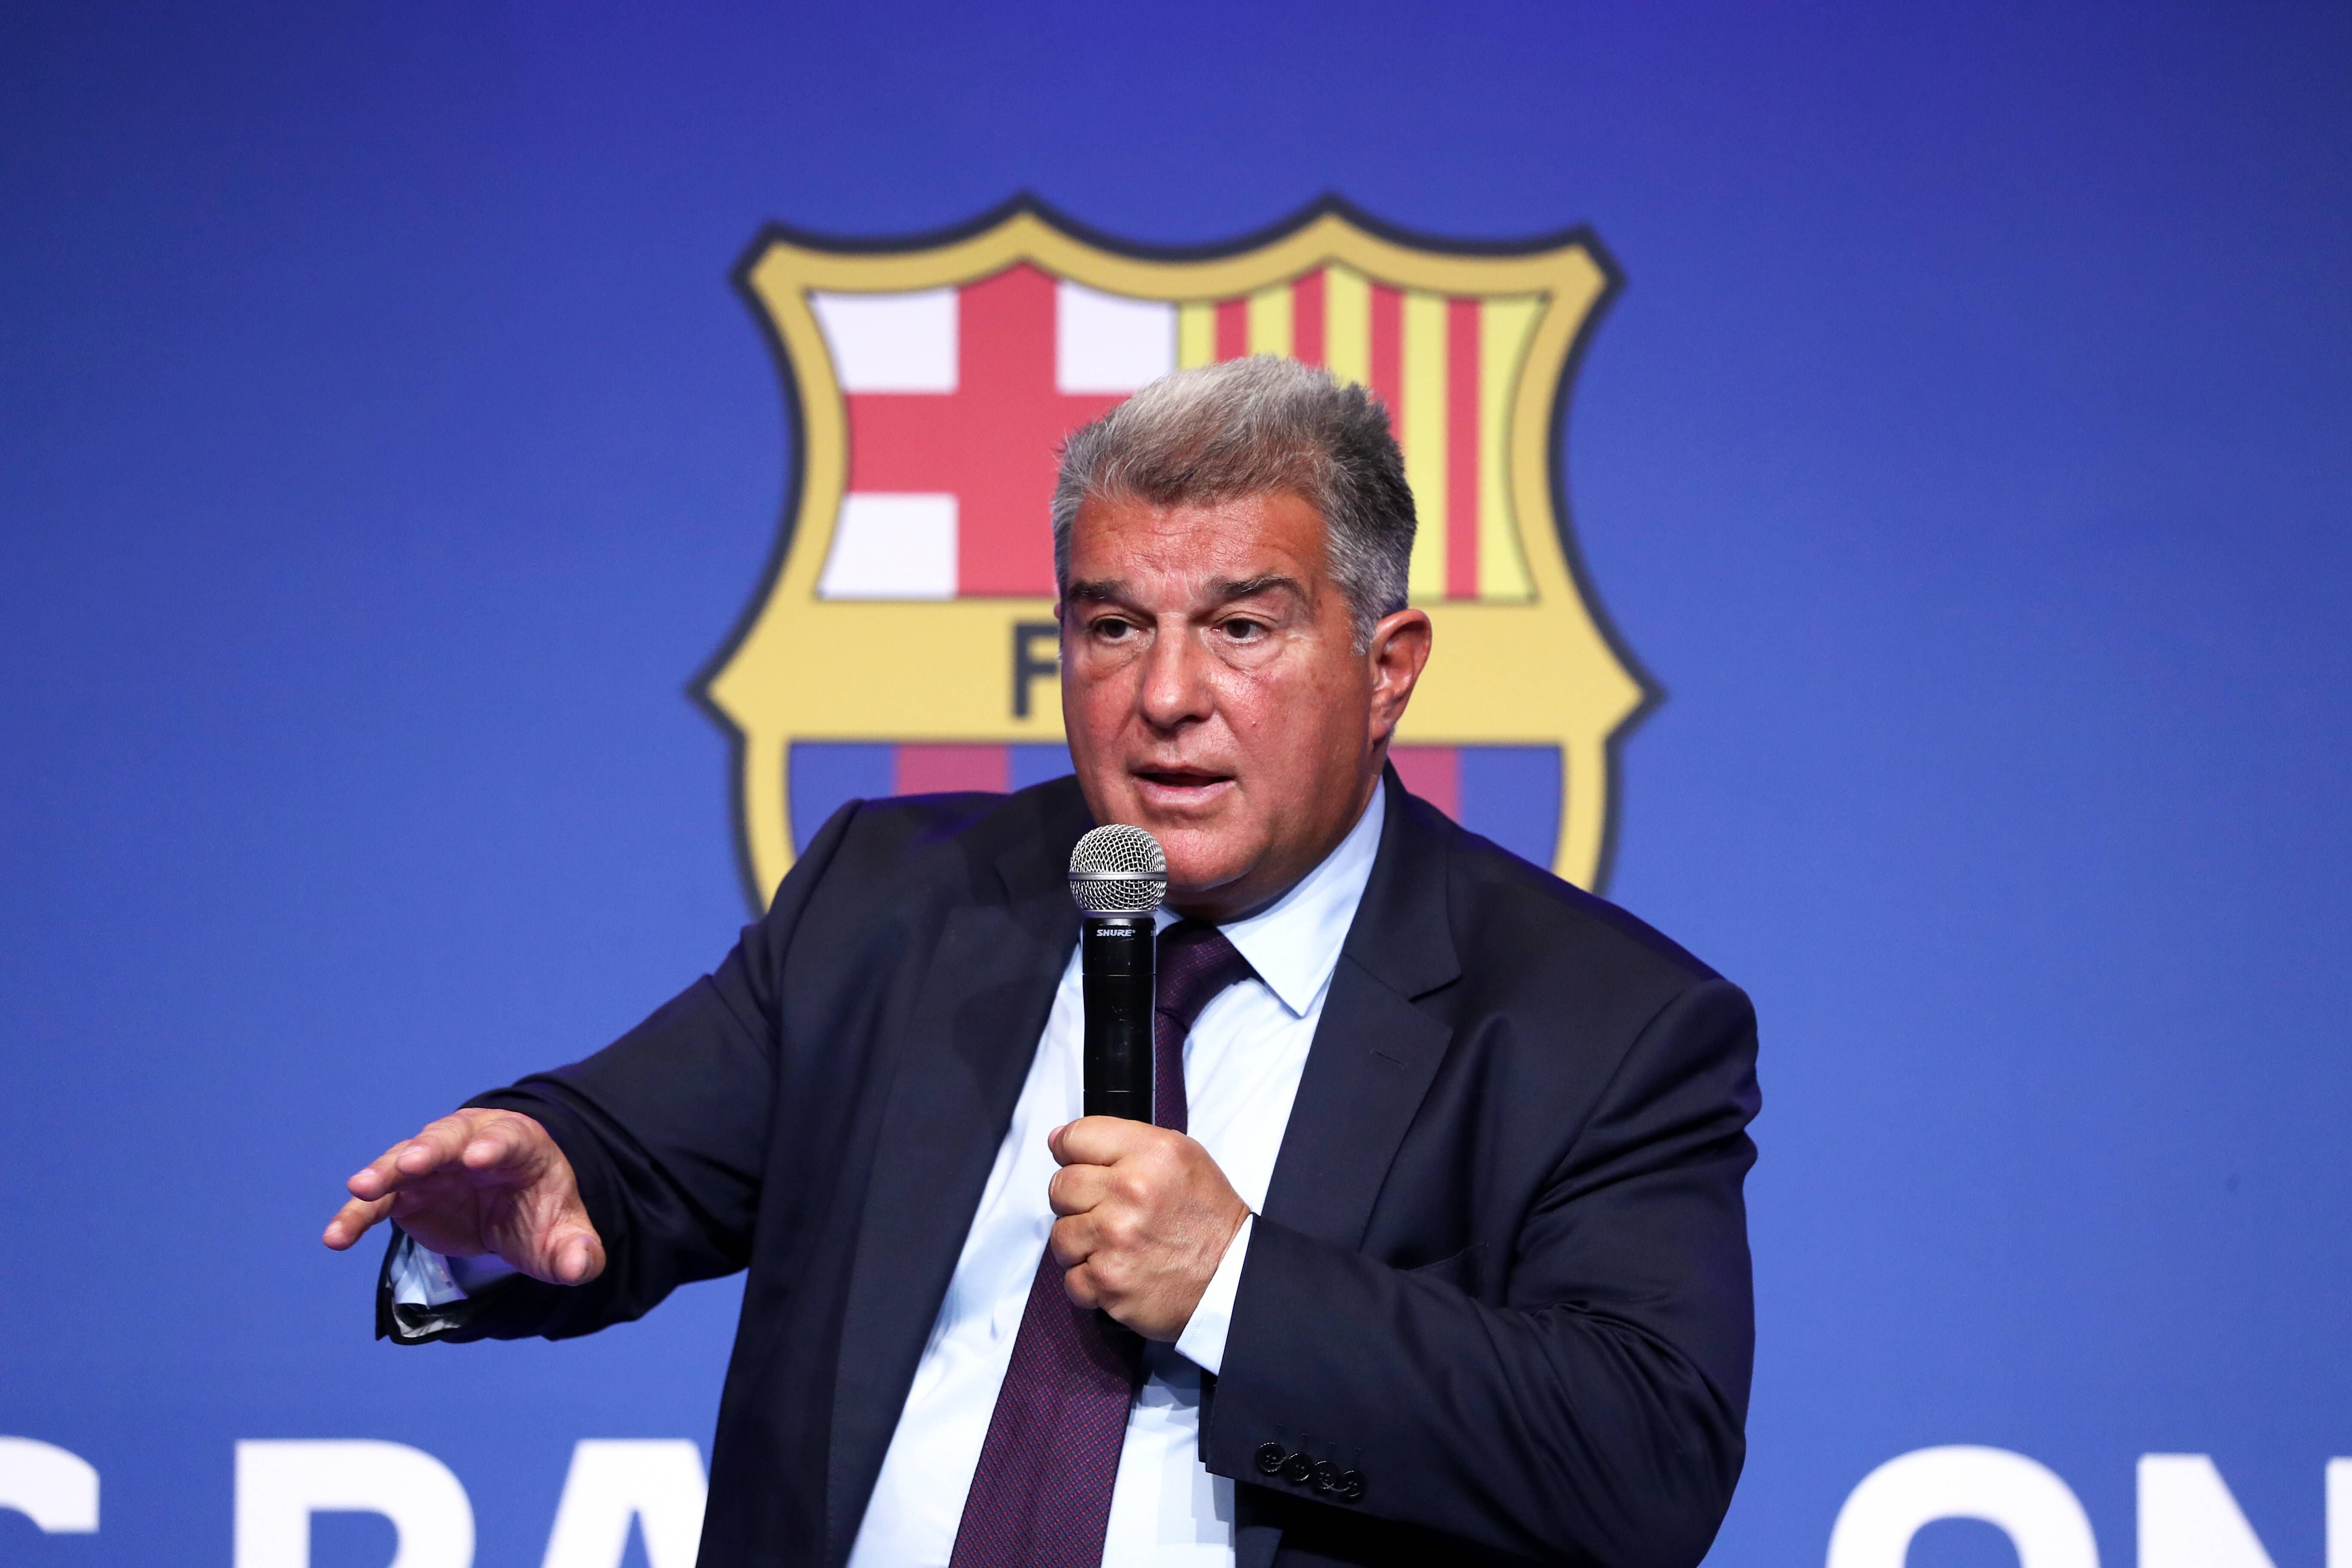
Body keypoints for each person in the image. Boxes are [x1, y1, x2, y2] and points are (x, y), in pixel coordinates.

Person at [322, 355, 1760, 1568]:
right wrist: (531, 1174)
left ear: (1387, 669)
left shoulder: (1600, 1023)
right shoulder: (900, 900)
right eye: (1113, 628)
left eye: (1242, 628)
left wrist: (1237, 1286)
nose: (1168, 698)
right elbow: (626, 1158)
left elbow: (1643, 1458)